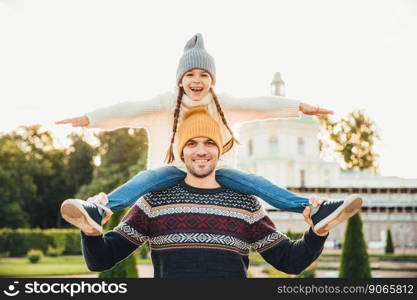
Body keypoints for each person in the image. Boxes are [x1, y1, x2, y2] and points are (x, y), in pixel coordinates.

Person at [58, 33, 359, 236]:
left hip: (218, 168)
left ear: (212, 80)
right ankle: (99, 209)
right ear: (180, 79)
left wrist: (300, 106)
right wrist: (90, 118)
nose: (197, 80)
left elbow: (260, 105)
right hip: (172, 169)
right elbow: (128, 110)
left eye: (203, 75)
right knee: (142, 181)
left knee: (259, 184)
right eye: (190, 74)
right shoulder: (164, 104)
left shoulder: (223, 104)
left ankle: (314, 209)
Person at [76, 108, 362, 278]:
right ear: (181, 151)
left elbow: (290, 261)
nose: (201, 150)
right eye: (192, 144)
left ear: (221, 150)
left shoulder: (245, 204)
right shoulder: (154, 201)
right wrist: (91, 233)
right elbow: (102, 260)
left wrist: (317, 233)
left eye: (209, 143)